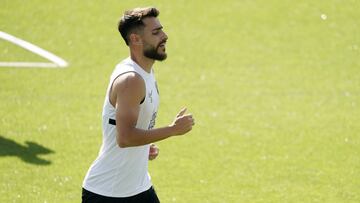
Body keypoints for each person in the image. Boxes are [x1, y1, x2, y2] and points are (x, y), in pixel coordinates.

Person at [82, 7, 195, 203]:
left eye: (162, 30)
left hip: (138, 188)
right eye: (156, 32)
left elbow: (129, 131)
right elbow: (125, 138)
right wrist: (172, 129)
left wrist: (143, 147)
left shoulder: (145, 72)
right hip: (109, 193)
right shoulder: (131, 80)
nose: (165, 36)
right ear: (135, 39)